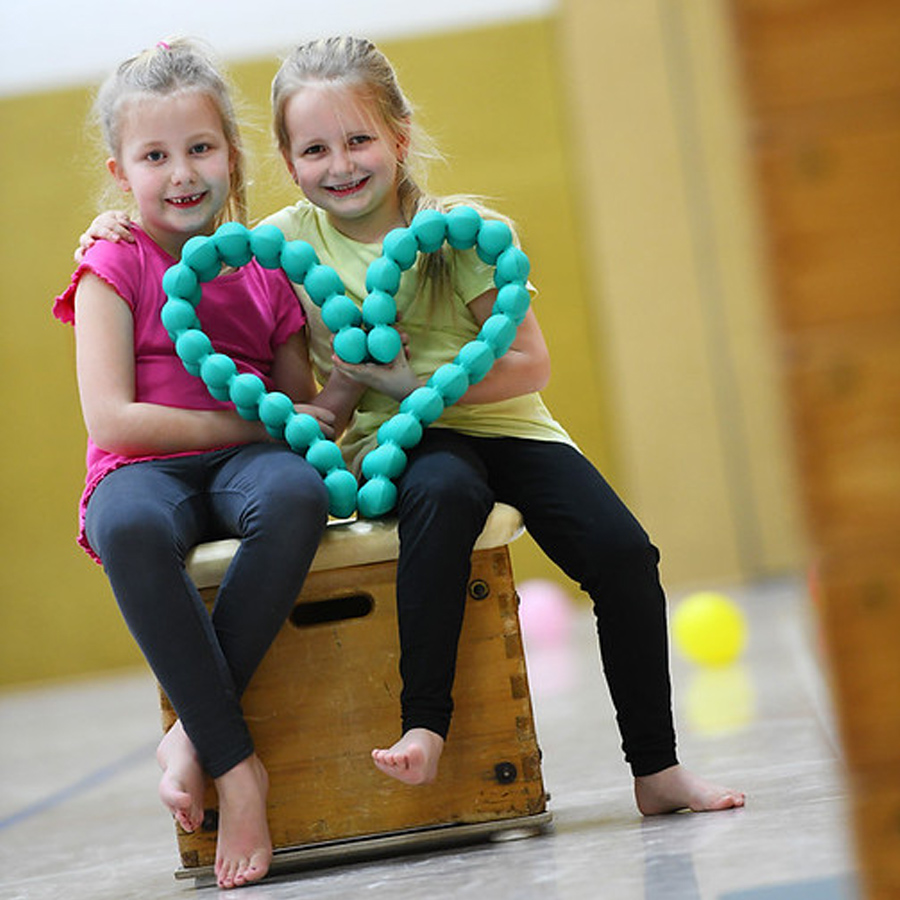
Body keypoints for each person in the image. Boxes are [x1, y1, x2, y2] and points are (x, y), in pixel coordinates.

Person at [77, 35, 745, 816]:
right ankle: (425, 724)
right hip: (405, 445)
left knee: (626, 555)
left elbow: (529, 364)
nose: (342, 165)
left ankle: (657, 769)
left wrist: (408, 380)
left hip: (510, 426)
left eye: (359, 140)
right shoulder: (284, 242)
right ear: (288, 164)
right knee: (445, 495)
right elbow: (297, 374)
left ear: (399, 136)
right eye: (316, 149)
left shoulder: (458, 232)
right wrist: (107, 227)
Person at [55, 39, 359, 889]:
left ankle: (191, 732)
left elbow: (294, 410)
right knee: (129, 526)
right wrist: (243, 419)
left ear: (232, 152)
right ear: (121, 170)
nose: (181, 172)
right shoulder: (111, 261)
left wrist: (338, 393)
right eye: (155, 156)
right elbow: (110, 417)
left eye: (199, 149)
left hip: (247, 467)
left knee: (297, 495)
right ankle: (237, 771)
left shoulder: (264, 267)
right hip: (144, 466)